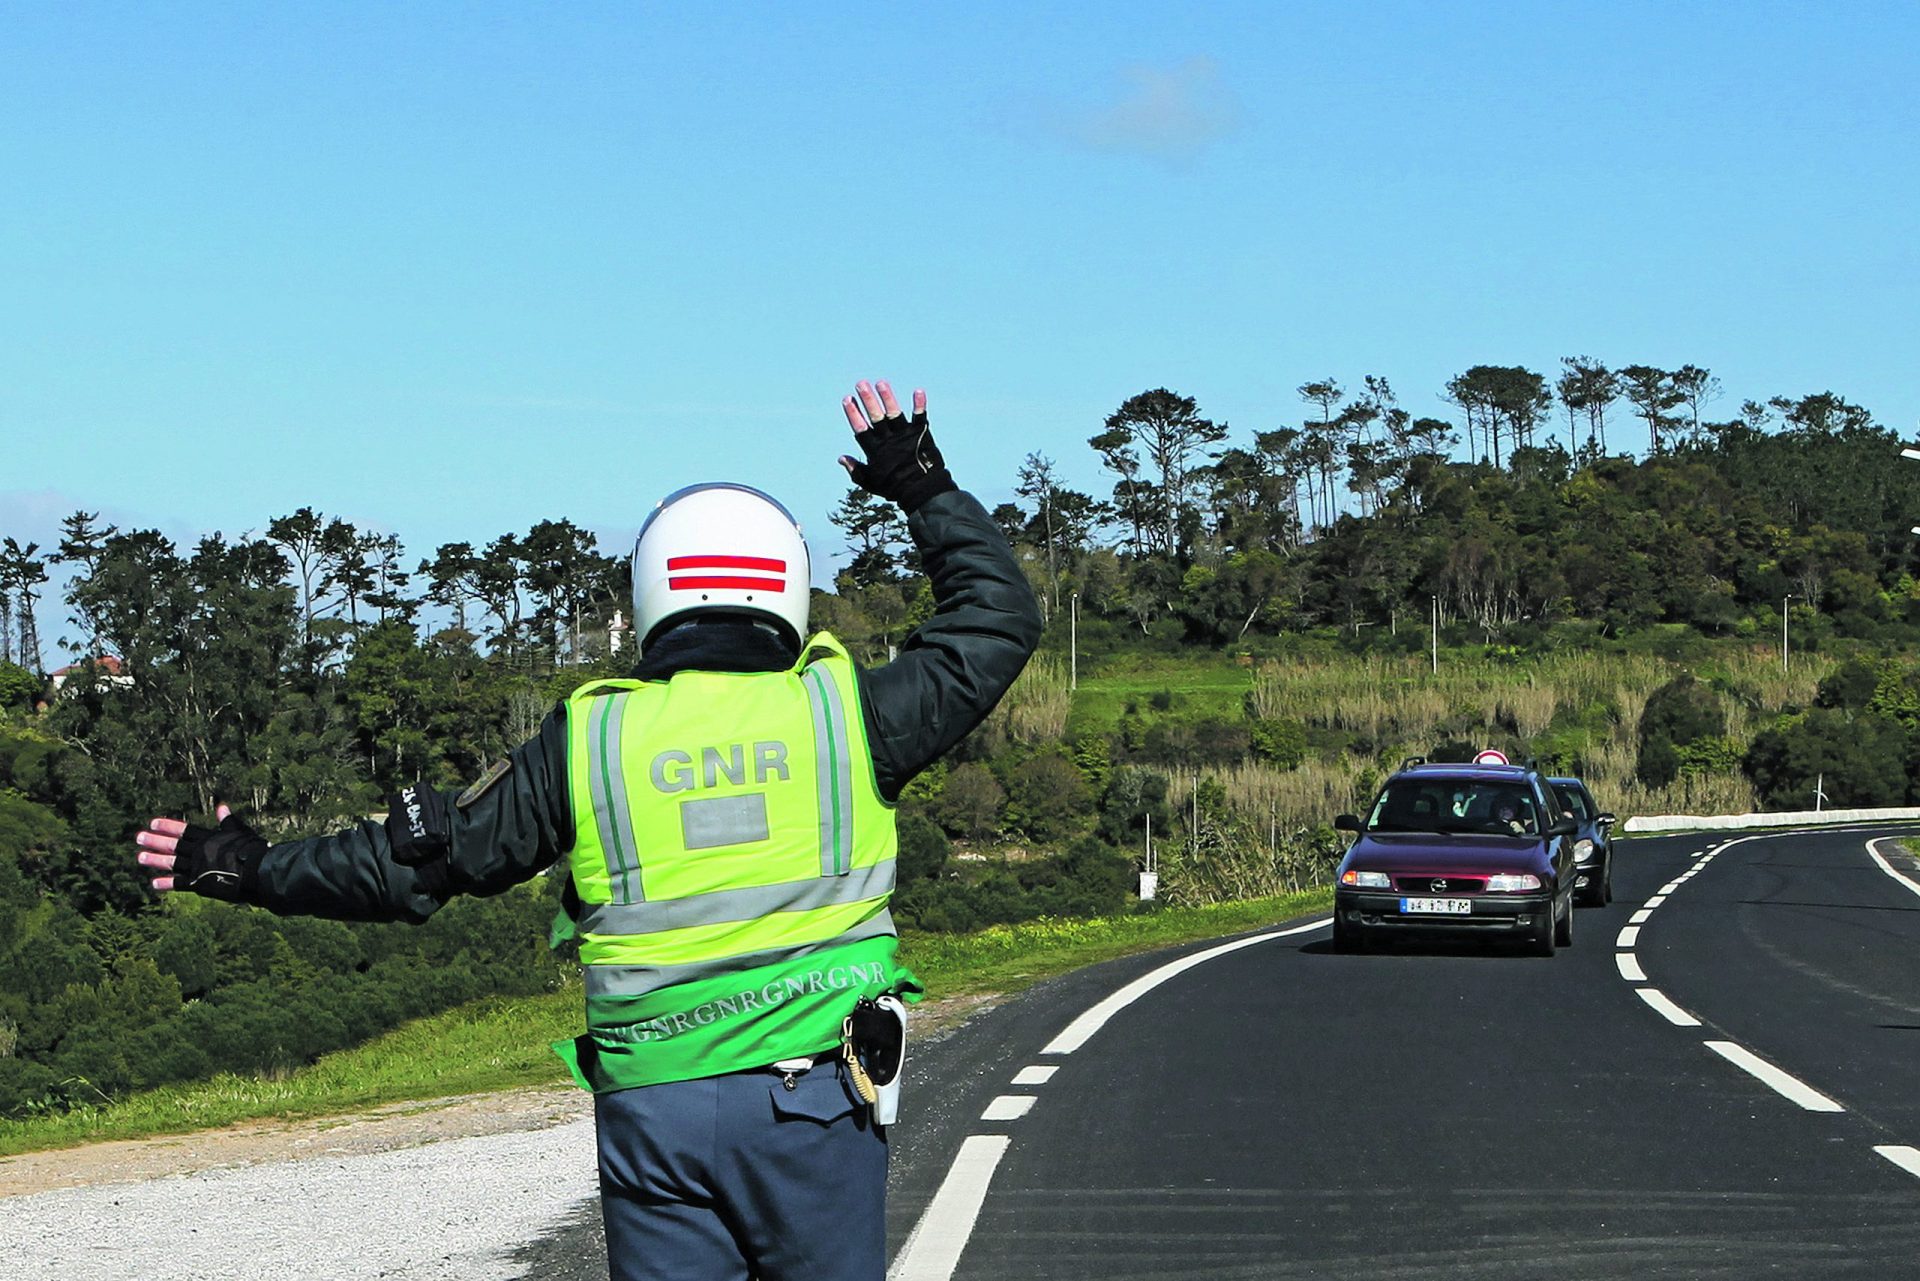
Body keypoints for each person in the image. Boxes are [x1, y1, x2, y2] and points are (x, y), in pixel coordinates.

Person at [134, 378, 1043, 1281]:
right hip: (808, 1104)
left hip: (654, 1114)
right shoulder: (845, 715)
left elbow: (418, 860)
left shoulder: (594, 740)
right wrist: (922, 486)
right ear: (786, 586)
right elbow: (996, 621)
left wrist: (251, 866)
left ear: (656, 591)